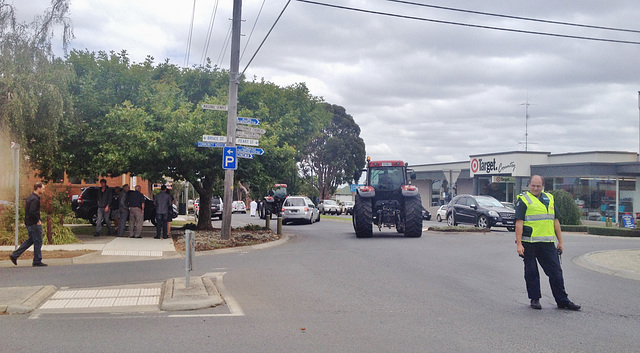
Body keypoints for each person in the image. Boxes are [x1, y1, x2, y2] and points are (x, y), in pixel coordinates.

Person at [515, 175, 581, 311]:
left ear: (543, 186)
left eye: (538, 186)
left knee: (556, 272)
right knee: (532, 272)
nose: (535, 188)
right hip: (530, 243)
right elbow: (519, 223)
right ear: (529, 185)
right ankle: (535, 299)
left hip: (547, 243)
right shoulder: (523, 200)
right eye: (533, 185)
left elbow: (555, 221)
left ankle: (562, 301)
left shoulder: (549, 198)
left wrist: (560, 242)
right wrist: (519, 244)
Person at [10, 182, 47, 267]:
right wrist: (37, 220)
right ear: (38, 188)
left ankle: (14, 255)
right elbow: (32, 211)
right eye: (43, 188)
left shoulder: (30, 197)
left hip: (29, 222)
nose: (43, 190)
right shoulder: (35, 199)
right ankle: (37, 260)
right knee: (38, 241)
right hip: (34, 223)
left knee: (31, 240)